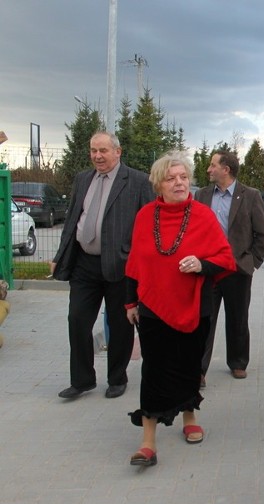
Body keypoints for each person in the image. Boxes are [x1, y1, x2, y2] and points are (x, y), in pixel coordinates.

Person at [124, 151, 235, 467]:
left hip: (194, 305)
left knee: (188, 365)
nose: (179, 183)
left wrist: (201, 264)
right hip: (153, 305)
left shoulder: (202, 215)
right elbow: (135, 263)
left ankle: (189, 416)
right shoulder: (145, 216)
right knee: (154, 369)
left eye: (183, 177)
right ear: (159, 184)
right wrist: (130, 301)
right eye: (171, 178)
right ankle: (147, 441)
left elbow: (224, 259)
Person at [52, 131, 154, 399]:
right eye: (93, 151)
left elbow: (148, 225)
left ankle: (117, 378)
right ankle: (82, 380)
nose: (97, 156)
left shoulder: (137, 181)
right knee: (77, 320)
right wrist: (61, 255)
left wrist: (135, 258)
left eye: (103, 151)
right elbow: (74, 217)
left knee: (121, 325)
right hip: (84, 264)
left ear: (117, 152)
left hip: (121, 266)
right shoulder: (83, 179)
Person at [195, 150, 264, 381]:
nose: (208, 169)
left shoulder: (250, 195)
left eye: (212, 165)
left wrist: (251, 263)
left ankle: (238, 362)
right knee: (203, 320)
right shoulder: (201, 195)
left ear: (225, 169)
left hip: (237, 270)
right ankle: (198, 369)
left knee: (237, 318)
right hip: (207, 268)